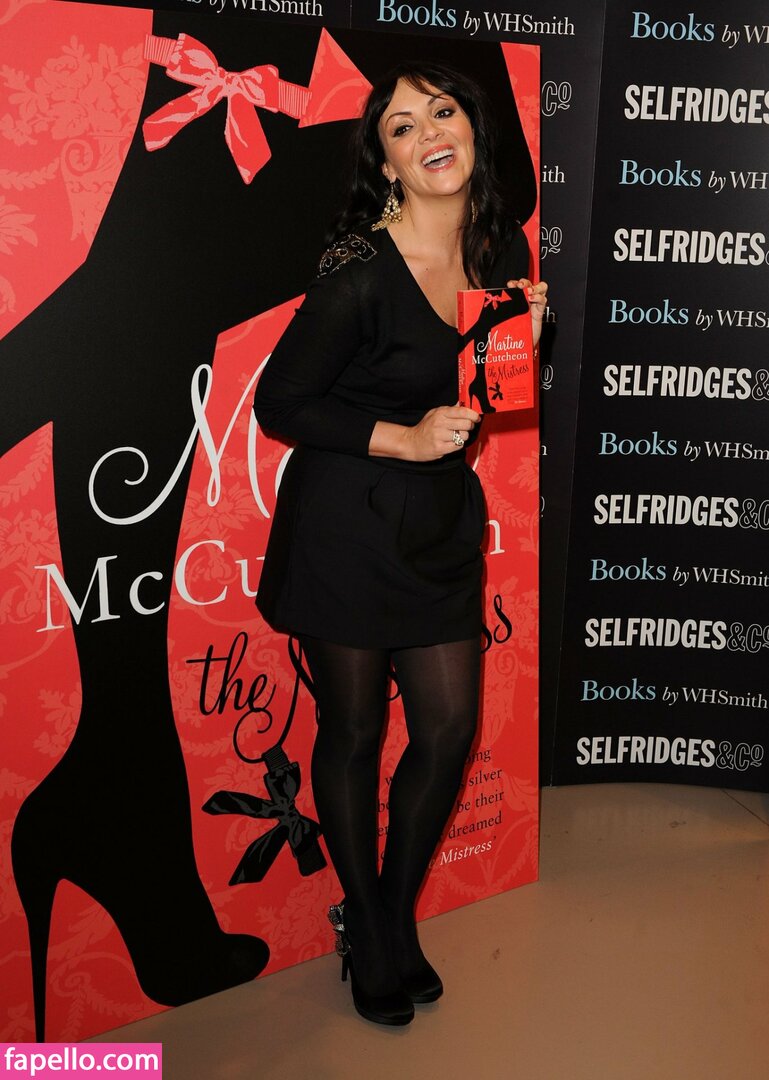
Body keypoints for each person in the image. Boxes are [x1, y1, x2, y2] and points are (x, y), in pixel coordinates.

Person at [252, 60, 547, 1026]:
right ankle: (379, 936)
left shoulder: (498, 248)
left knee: (447, 728)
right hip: (346, 520)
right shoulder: (358, 270)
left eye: (442, 112)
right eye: (401, 127)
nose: (428, 133)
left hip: (435, 522)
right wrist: (406, 438)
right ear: (387, 166)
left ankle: (383, 910)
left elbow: (484, 393)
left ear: (472, 130)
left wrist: (523, 340)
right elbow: (281, 403)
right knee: (354, 733)